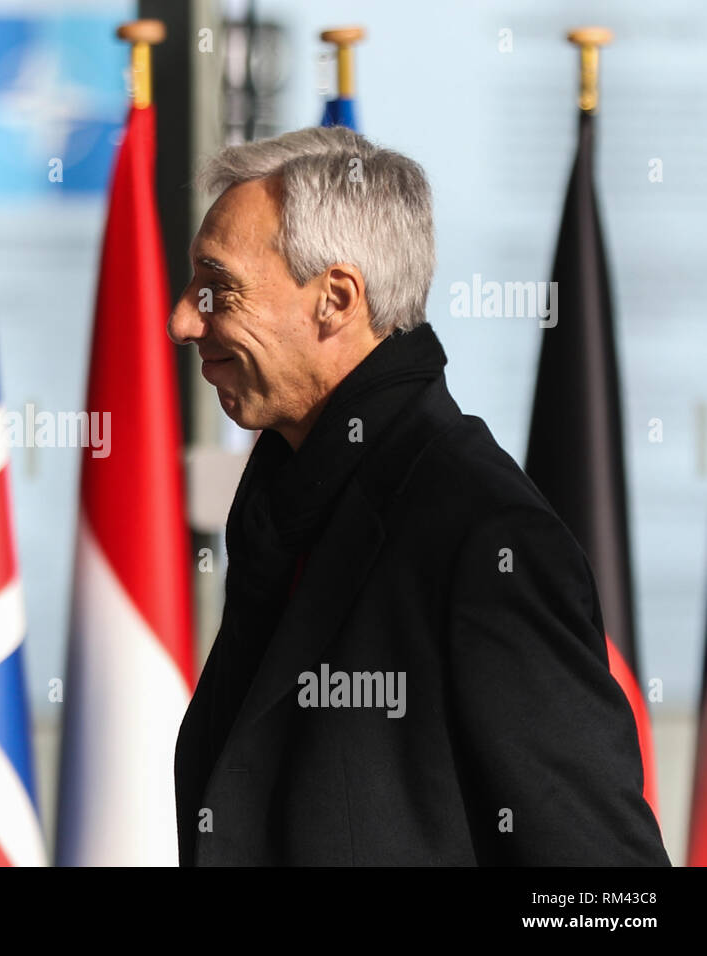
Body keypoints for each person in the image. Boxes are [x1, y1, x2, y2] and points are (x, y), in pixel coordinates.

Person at [168, 126, 669, 866]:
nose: (183, 320)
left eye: (218, 288)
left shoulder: (483, 538)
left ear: (336, 299)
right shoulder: (283, 508)